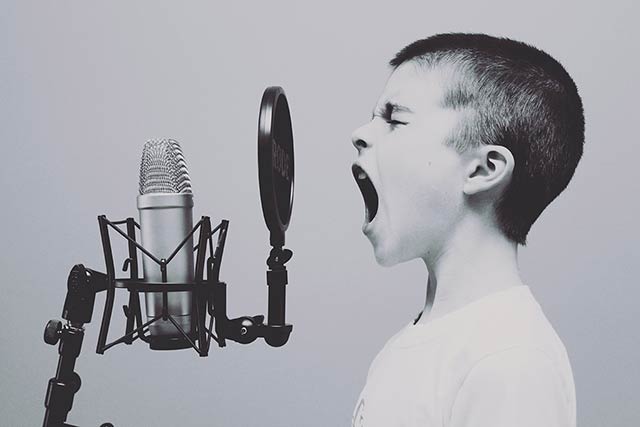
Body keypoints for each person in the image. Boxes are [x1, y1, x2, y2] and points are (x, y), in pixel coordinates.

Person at [350, 33, 584, 427]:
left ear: (483, 169)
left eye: (394, 119)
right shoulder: (414, 344)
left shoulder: (510, 360)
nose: (360, 134)